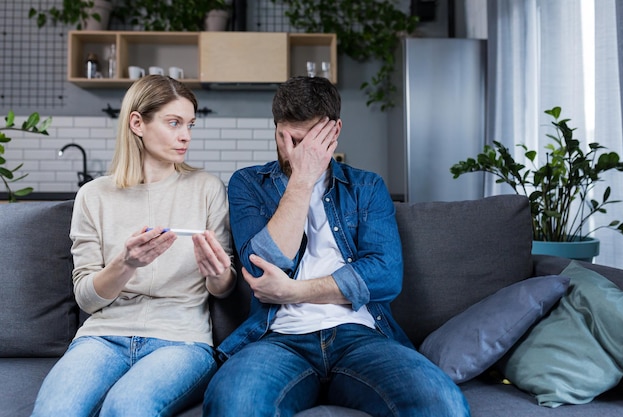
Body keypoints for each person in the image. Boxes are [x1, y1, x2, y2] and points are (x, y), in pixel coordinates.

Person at [203, 76, 469, 416]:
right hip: (280, 339)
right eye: (287, 138)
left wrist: (293, 292)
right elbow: (259, 267)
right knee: (233, 404)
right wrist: (302, 179)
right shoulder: (249, 184)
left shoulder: (367, 187)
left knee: (442, 404)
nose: (294, 152)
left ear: (335, 131)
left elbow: (385, 276)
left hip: (360, 336)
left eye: (307, 142)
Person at [31, 75, 236, 417]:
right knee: (55, 411)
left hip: (181, 340)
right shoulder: (94, 196)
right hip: (103, 336)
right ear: (137, 123)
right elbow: (86, 297)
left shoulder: (207, 189)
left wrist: (219, 274)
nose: (185, 135)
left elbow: (224, 289)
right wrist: (126, 264)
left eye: (189, 124)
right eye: (173, 123)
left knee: (126, 408)